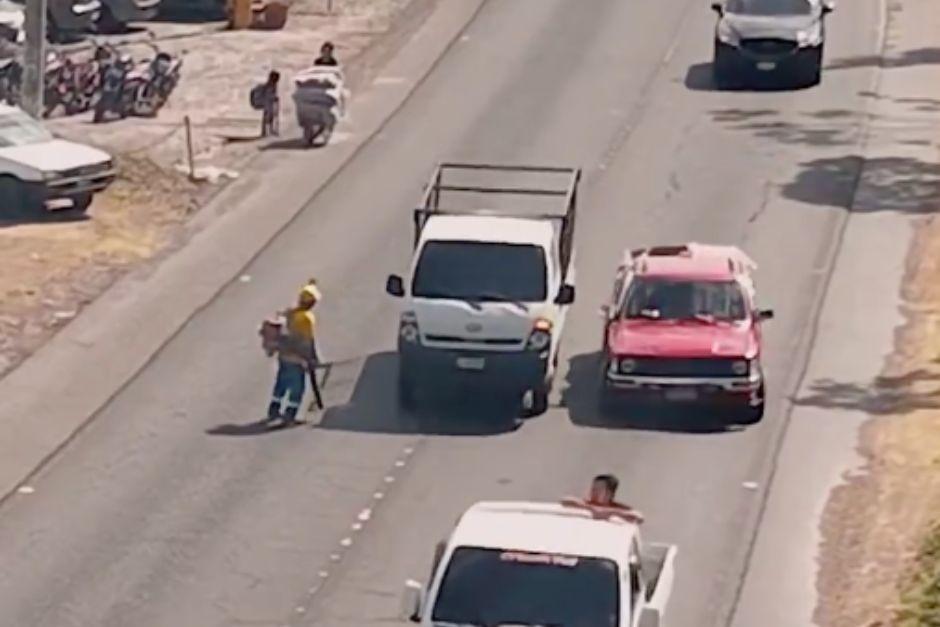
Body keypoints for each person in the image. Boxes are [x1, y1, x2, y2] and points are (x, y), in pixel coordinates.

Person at [267, 282, 320, 424]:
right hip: (297, 359)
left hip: (284, 356)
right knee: (297, 388)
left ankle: (274, 410)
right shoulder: (306, 318)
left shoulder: (290, 313)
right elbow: (307, 341)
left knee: (281, 383)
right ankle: (290, 414)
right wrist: (311, 358)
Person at [562, 474, 645, 523]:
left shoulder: (617, 507)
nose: (593, 492)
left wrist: (607, 512)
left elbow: (639, 517)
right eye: (593, 489)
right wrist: (592, 509)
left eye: (599, 489)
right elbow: (565, 500)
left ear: (609, 493)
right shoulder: (587, 503)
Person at [259, 70, 280, 137]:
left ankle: (267, 131)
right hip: (268, 103)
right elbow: (269, 94)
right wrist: (275, 98)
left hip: (269, 102)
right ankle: (266, 132)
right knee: (268, 117)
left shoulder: (272, 84)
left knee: (269, 117)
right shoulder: (270, 85)